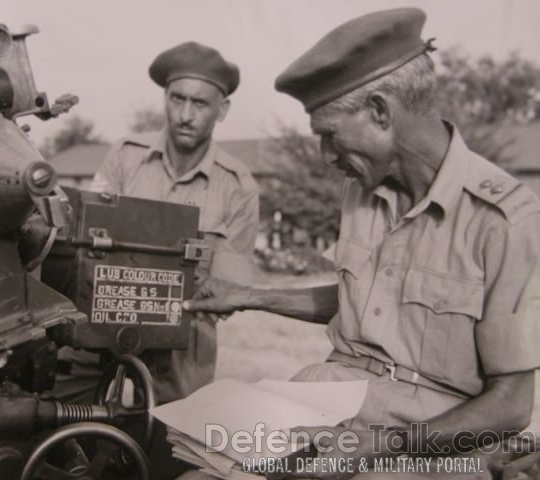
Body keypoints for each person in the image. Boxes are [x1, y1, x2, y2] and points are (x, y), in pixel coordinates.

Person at [181, 8, 540, 480]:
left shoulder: (504, 219)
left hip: (433, 440)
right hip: (332, 399)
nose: (326, 156)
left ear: (380, 111)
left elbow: (512, 406)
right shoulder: (363, 189)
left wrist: (382, 447)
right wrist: (249, 297)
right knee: (194, 471)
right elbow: (365, 302)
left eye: (329, 135)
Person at [91, 41, 259, 404]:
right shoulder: (125, 156)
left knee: (173, 443)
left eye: (199, 103)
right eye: (176, 99)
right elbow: (87, 240)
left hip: (185, 336)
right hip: (107, 316)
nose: (185, 114)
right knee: (74, 425)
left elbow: (226, 294)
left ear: (222, 109)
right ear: (164, 99)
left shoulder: (237, 185)